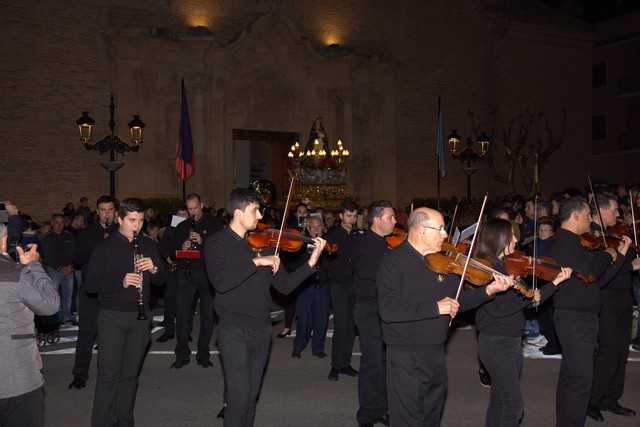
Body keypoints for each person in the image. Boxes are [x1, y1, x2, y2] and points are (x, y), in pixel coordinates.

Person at [376, 207, 512, 426]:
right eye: (439, 229)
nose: (445, 235)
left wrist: (488, 292)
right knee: (406, 420)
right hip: (406, 355)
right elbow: (388, 310)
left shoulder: (442, 263)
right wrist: (434, 308)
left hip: (437, 353)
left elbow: (457, 303)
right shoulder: (393, 262)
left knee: (431, 417)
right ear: (420, 230)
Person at [204, 188, 326, 426]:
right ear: (238, 213)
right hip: (234, 330)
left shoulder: (265, 245)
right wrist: (256, 261)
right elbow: (221, 282)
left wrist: (311, 263)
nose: (260, 216)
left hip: (262, 330)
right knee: (238, 399)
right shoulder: (216, 244)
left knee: (251, 397)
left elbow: (285, 286)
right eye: (254, 210)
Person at [473, 218, 571, 426]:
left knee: (499, 401)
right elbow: (498, 309)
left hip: (512, 341)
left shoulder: (509, 266)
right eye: (512, 236)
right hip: (495, 342)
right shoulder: (487, 270)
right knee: (514, 405)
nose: (517, 240)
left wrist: (554, 283)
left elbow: (527, 301)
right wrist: (525, 295)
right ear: (499, 239)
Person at [544, 196, 627, 426]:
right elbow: (591, 271)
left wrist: (618, 256)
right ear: (576, 215)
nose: (591, 219)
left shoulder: (575, 242)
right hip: (574, 318)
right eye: (589, 214)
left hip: (582, 317)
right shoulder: (561, 244)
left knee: (572, 376)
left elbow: (597, 281)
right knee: (580, 380)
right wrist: (606, 254)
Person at [85, 198, 165, 427]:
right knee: (108, 376)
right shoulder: (105, 247)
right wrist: (119, 281)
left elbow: (161, 280)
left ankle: (124, 421)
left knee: (130, 376)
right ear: (120, 219)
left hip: (140, 318)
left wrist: (154, 268)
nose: (136, 225)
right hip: (112, 317)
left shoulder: (148, 245)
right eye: (131, 220)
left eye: (140, 220)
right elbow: (91, 284)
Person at [0, 222, 60, 427]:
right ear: (4, 241)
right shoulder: (15, 274)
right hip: (14, 377)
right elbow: (50, 305)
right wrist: (34, 265)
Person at [587, 192, 638, 422]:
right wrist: (625, 259)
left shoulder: (612, 235)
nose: (618, 215)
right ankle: (592, 400)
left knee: (621, 351)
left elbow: (623, 267)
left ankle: (610, 398)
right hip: (606, 298)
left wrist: (633, 263)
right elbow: (604, 273)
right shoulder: (592, 237)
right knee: (608, 351)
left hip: (622, 297)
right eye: (615, 210)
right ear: (601, 210)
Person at [352, 200, 397, 427]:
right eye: (390, 217)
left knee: (387, 361)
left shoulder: (389, 243)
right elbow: (364, 270)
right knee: (372, 364)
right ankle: (366, 415)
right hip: (368, 308)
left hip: (387, 308)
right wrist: (391, 265)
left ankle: (382, 408)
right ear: (377, 220)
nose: (395, 221)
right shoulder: (361, 242)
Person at [68, 195, 117, 390]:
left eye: (110, 210)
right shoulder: (87, 233)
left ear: (115, 211)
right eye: (103, 210)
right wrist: (98, 248)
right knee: (86, 335)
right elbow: (77, 259)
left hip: (113, 291)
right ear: (97, 212)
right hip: (91, 291)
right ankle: (80, 375)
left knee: (110, 337)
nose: (107, 214)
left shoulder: (121, 232)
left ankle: (107, 376)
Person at [170, 194, 223, 369]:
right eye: (189, 209)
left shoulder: (214, 223)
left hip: (207, 274)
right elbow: (172, 252)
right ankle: (182, 355)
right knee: (183, 314)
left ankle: (203, 354)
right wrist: (182, 247)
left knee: (208, 316)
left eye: (195, 208)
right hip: (186, 273)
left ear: (201, 205)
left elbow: (221, 247)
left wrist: (203, 240)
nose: (193, 212)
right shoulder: (182, 226)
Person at [325, 199, 359, 381]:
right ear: (341, 216)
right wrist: (343, 262)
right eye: (348, 216)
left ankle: (345, 363)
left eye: (354, 216)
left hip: (354, 284)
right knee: (341, 325)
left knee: (351, 326)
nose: (352, 220)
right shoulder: (333, 235)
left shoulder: (356, 236)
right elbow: (327, 262)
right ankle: (335, 365)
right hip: (339, 284)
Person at [291, 215, 332, 358]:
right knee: (304, 318)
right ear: (308, 229)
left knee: (322, 318)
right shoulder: (300, 244)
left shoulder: (329, 244)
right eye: (313, 227)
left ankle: (318, 348)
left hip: (324, 285)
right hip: (306, 286)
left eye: (318, 227)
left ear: (323, 227)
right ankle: (298, 346)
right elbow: (292, 265)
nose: (316, 230)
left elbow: (333, 265)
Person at [275, 202, 309, 338]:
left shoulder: (311, 226)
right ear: (296, 214)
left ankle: (305, 326)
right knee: (290, 298)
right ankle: (287, 327)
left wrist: (311, 231)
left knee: (306, 298)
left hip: (306, 265)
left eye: (304, 212)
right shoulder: (290, 228)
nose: (302, 214)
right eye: (299, 211)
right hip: (293, 264)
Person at [156, 206, 189, 343]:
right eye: (179, 214)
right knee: (170, 299)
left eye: (184, 214)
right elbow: (163, 247)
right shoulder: (170, 229)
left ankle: (186, 332)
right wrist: (169, 260)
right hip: (173, 267)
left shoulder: (191, 229)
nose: (181, 216)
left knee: (187, 302)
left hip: (187, 268)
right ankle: (169, 331)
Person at [40, 213, 75, 325]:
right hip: (54, 271)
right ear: (52, 223)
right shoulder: (47, 238)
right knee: (53, 297)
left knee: (67, 297)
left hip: (69, 271)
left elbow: (74, 252)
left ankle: (66, 318)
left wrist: (72, 266)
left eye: (61, 222)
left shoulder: (69, 236)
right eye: (57, 222)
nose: (59, 225)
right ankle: (54, 319)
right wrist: (60, 268)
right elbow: (47, 256)